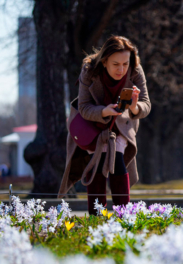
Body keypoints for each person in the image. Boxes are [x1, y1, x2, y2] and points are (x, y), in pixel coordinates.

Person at [58, 36, 151, 215]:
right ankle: (97, 217)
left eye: (125, 63)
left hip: (122, 125)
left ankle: (123, 217)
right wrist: (104, 111)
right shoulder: (89, 70)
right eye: (116, 64)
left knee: (116, 159)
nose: (121, 69)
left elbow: (146, 105)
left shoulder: (135, 69)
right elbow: (84, 107)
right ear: (104, 60)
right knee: (97, 163)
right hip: (93, 126)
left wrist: (134, 106)